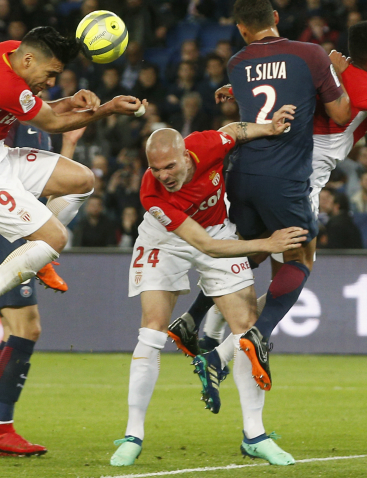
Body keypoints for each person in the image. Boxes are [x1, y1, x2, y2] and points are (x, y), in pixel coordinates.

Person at [172, 20, 367, 405]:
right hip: (298, 179)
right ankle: (252, 337)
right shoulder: (362, 83)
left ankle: (197, 323)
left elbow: (285, 89)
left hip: (253, 169)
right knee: (301, 260)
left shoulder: (327, 71)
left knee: (254, 252)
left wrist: (237, 88)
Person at [110, 113, 308, 468]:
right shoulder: (153, 194)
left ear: (185, 155)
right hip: (166, 240)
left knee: (247, 331)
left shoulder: (205, 145)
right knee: (151, 331)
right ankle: (132, 435)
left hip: (217, 229)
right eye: (155, 168)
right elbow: (205, 247)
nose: (163, 175)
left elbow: (233, 131)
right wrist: (268, 243)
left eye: (169, 166)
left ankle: (255, 436)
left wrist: (269, 128)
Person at [0, 26, 145, 356]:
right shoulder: (5, 83)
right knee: (56, 238)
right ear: (28, 60)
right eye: (50, 74)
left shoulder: (7, 50)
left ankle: (37, 258)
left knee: (82, 180)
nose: (51, 82)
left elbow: (38, 108)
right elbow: (52, 123)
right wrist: (107, 109)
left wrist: (68, 101)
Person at [0, 124, 84, 457]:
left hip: (5, 231)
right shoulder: (19, 122)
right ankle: (1, 429)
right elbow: (28, 186)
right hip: (4, 232)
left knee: (13, 332)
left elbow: (48, 185)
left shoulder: (34, 124)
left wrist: (69, 144)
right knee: (27, 328)